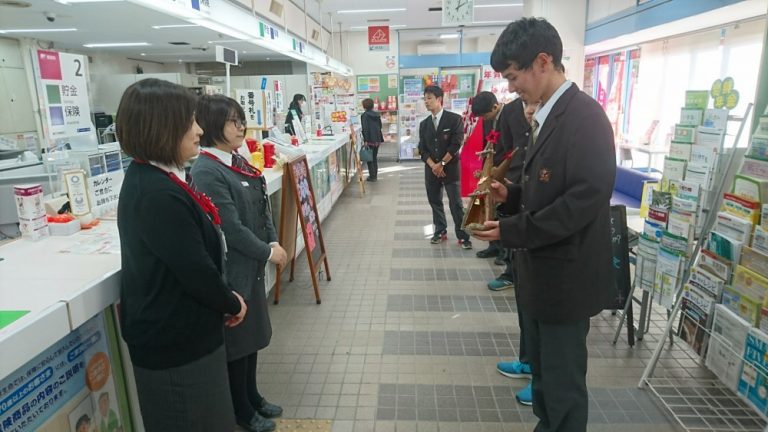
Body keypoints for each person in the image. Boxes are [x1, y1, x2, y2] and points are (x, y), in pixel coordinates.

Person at [472, 18, 616, 432]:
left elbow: (582, 202)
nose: (512, 88)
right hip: (542, 275)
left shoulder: (585, 118)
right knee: (545, 383)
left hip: (566, 280)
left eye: (515, 77)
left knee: (563, 387)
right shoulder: (548, 115)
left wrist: (511, 230)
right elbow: (550, 187)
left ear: (543, 61)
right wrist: (511, 196)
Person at [116, 78, 247, 432]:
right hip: (174, 347)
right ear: (163, 126)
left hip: (186, 337)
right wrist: (231, 303)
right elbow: (194, 269)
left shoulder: (159, 179)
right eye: (190, 120)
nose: (200, 130)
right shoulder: (156, 194)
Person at [191, 95, 287, 432]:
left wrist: (273, 239)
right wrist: (267, 251)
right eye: (233, 121)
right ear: (213, 124)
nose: (241, 126)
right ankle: (241, 410)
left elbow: (261, 207)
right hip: (233, 271)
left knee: (253, 337)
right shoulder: (206, 169)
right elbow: (229, 228)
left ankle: (252, 395)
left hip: (252, 268)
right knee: (237, 343)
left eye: (241, 119)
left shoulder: (237, 159)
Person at [418, 85, 472, 249]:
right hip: (431, 169)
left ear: (439, 99)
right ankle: (440, 231)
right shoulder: (424, 124)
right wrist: (433, 165)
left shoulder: (454, 119)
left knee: (455, 203)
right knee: (435, 201)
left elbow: (456, 144)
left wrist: (441, 164)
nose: (426, 102)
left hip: (450, 169)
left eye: (429, 98)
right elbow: (423, 149)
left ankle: (463, 236)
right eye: (425, 98)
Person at [471, 91, 505, 260]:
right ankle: (493, 246)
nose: (484, 119)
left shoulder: (509, 116)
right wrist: (483, 168)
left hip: (504, 170)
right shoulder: (486, 121)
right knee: (488, 208)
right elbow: (486, 144)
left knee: (502, 210)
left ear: (495, 106)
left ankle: (504, 252)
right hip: (490, 168)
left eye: (485, 115)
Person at [360, 98, 384, 182]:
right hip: (377, 138)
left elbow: (365, 129)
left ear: (364, 106)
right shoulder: (377, 114)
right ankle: (375, 175)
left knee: (370, 158)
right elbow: (380, 126)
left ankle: (372, 176)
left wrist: (365, 140)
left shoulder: (364, 115)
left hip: (369, 139)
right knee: (374, 157)